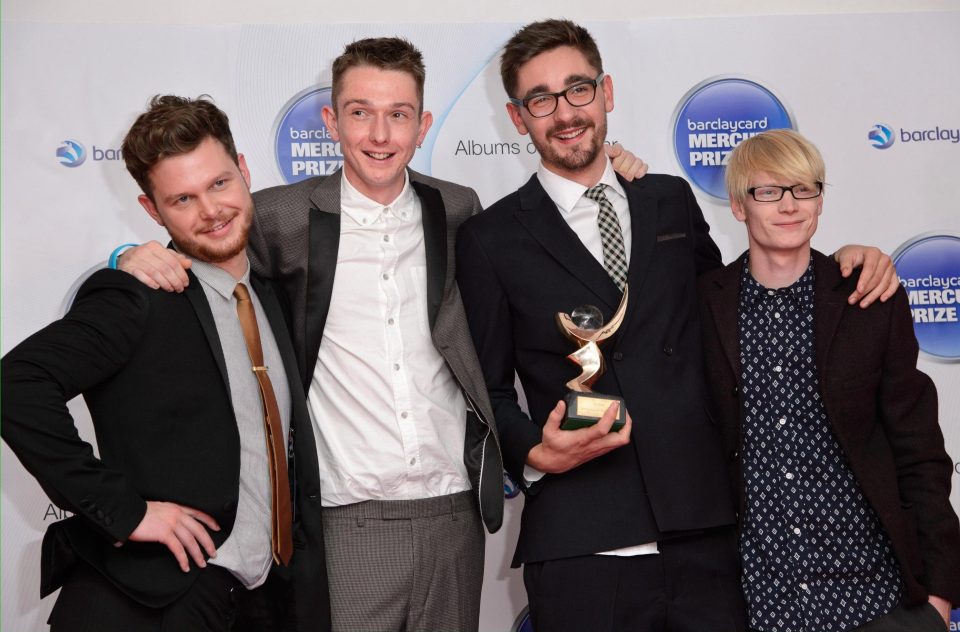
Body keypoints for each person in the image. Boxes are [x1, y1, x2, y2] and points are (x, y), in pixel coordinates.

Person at [115, 37, 649, 632]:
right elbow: (211, 245)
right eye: (360, 112)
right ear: (331, 121)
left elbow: (541, 234)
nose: (379, 134)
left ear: (422, 126)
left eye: (398, 115)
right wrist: (147, 257)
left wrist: (618, 171)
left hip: (455, 512)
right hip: (347, 518)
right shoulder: (280, 217)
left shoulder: (459, 209)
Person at [455, 19, 901, 632]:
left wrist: (841, 264)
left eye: (578, 89)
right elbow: (486, 390)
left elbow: (734, 306)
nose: (564, 113)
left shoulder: (667, 198)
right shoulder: (489, 238)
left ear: (607, 91)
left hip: (706, 531)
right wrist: (534, 450)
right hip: (584, 541)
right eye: (541, 99)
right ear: (517, 117)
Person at [1, 95, 329, 632]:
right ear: (153, 210)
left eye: (220, 184)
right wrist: (125, 511)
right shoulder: (135, 297)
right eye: (183, 199)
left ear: (244, 170)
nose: (211, 211)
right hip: (147, 601)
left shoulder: (274, 294)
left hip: (257, 600)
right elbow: (16, 383)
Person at [698, 128, 960, 632]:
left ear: (819, 201)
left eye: (804, 189)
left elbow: (919, 449)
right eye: (768, 191)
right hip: (760, 603)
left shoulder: (868, 299)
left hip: (879, 599)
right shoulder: (704, 304)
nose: (789, 205)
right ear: (738, 206)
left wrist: (940, 594)